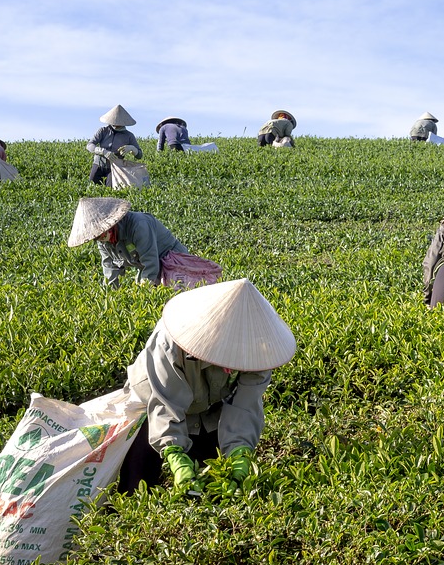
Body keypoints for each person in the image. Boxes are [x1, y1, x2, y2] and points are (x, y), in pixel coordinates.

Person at [115, 278, 297, 495]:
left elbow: (245, 406)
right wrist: (176, 455)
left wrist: (239, 452)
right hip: (151, 404)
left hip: (210, 406)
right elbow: (165, 403)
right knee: (138, 481)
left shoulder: (261, 351)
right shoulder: (170, 342)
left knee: (212, 481)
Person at [67, 196, 204, 287]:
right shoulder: (103, 241)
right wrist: (109, 295)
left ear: (109, 225)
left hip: (174, 262)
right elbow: (110, 267)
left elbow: (150, 261)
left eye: (99, 234)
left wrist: (144, 290)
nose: (99, 239)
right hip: (149, 266)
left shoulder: (139, 225)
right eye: (95, 237)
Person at [88, 105, 143, 185]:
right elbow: (90, 145)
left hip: (115, 167)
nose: (116, 125)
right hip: (98, 164)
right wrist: (103, 151)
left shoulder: (129, 135)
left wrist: (132, 148)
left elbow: (139, 155)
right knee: (92, 186)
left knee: (110, 190)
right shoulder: (103, 131)